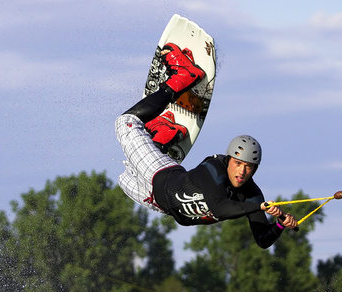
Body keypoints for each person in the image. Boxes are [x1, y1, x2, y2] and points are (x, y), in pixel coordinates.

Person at [116, 43, 298, 249]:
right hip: (157, 174)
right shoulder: (213, 167)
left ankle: (163, 134)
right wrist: (258, 206)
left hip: (156, 201)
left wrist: (280, 225)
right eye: (238, 163)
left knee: (122, 178)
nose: (242, 171)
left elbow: (262, 239)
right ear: (228, 160)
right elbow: (220, 208)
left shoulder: (252, 195)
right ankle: (181, 77)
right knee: (126, 123)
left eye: (249, 167)